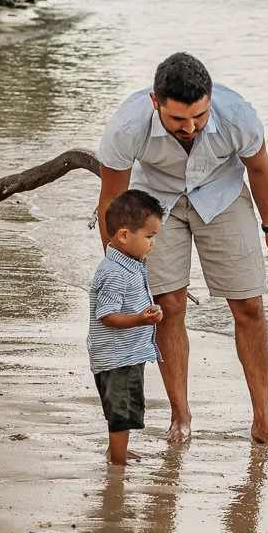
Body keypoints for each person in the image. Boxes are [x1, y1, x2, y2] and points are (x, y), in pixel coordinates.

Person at [94, 52, 268, 446]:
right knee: (167, 306)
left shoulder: (237, 114)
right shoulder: (126, 126)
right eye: (177, 120)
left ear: (209, 99)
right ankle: (180, 416)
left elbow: (259, 169)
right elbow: (111, 199)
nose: (190, 127)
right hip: (153, 197)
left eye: (199, 117)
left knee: (249, 305)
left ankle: (263, 419)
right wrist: (116, 262)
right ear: (156, 103)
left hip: (221, 195)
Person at [90, 188, 166, 465]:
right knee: (119, 412)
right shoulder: (113, 272)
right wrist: (139, 319)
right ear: (124, 235)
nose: (152, 243)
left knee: (129, 406)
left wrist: (146, 315)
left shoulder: (132, 265)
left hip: (129, 352)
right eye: (149, 237)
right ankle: (117, 461)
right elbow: (107, 315)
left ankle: (117, 450)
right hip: (113, 356)